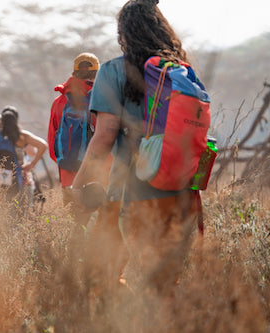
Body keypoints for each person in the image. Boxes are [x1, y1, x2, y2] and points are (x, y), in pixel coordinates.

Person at [71, 0, 203, 295]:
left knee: (99, 277)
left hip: (129, 191)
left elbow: (105, 135)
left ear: (124, 33)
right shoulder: (182, 72)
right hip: (179, 191)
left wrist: (78, 185)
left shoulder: (113, 71)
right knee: (165, 285)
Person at [47, 52, 111, 228]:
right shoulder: (103, 100)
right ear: (97, 74)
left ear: (74, 73)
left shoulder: (59, 101)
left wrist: (67, 164)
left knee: (74, 230)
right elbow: (107, 138)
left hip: (69, 179)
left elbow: (53, 146)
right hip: (100, 178)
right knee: (103, 234)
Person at [0, 106, 47, 214]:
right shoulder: (22, 136)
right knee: (23, 216)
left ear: (2, 121)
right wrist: (32, 164)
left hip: (0, 183)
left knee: (4, 217)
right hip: (23, 181)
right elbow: (43, 145)